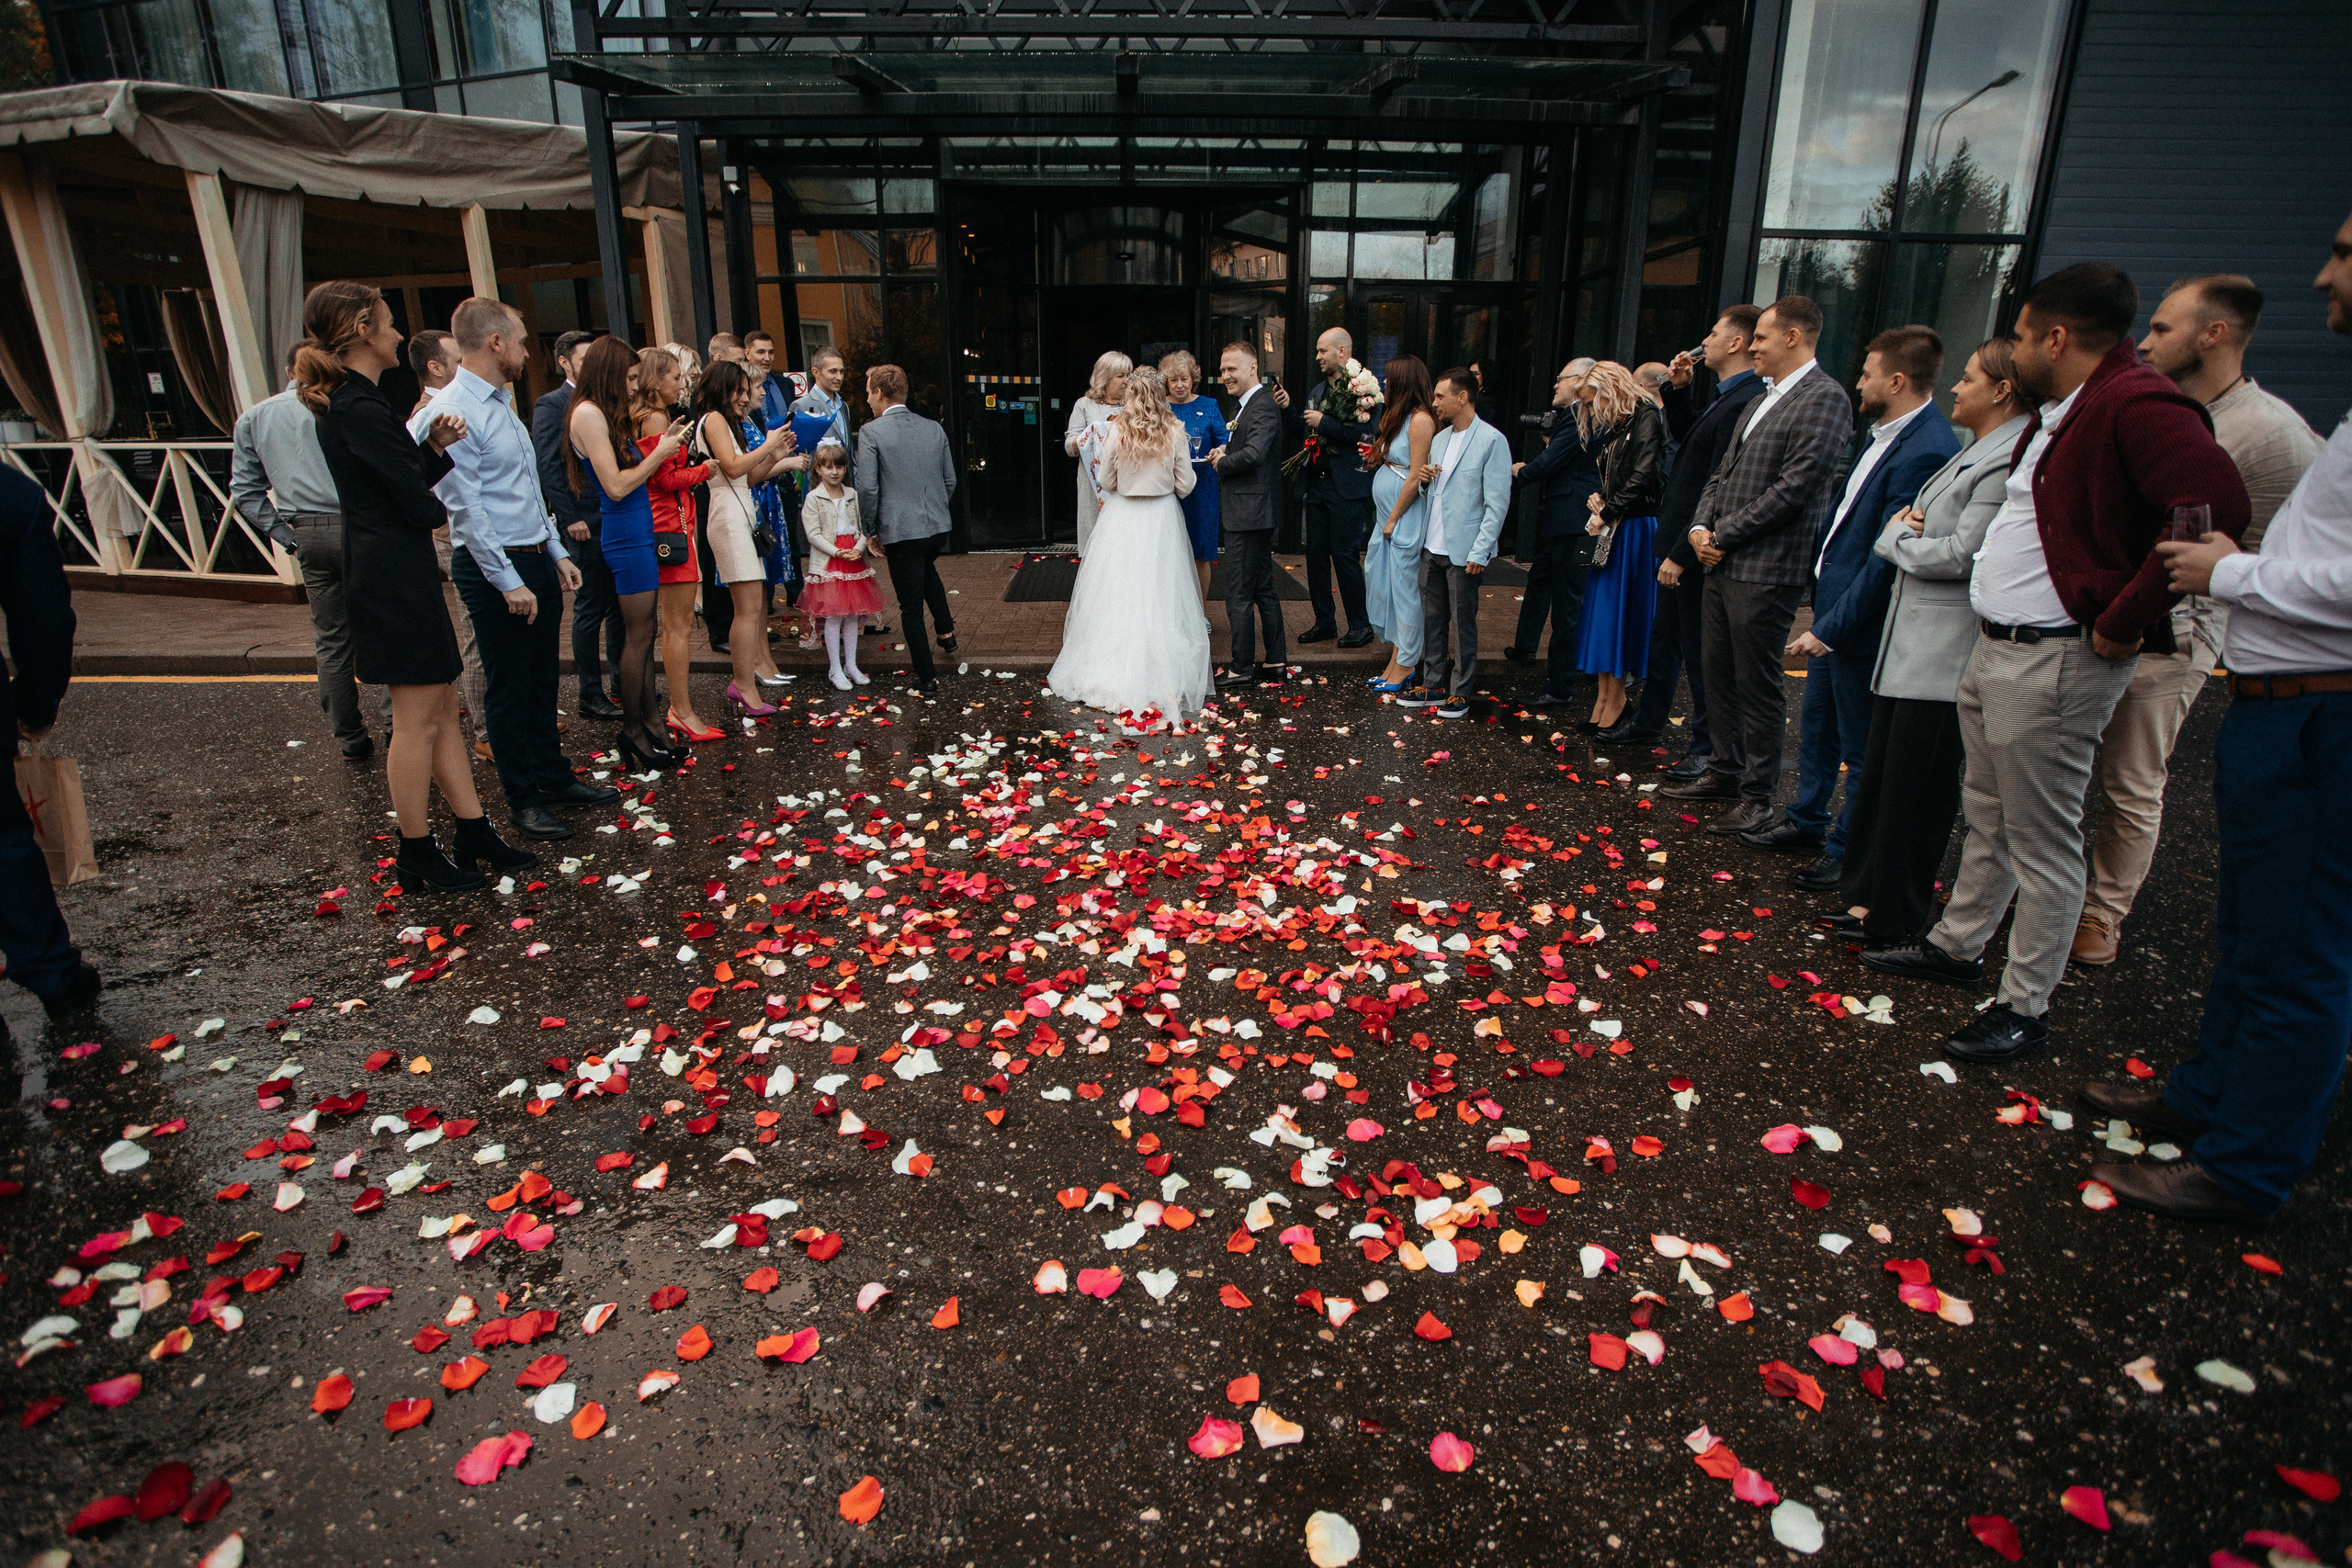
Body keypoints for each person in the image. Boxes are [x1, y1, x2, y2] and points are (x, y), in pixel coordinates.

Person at [1860, 262, 2252, 1064]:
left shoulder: (2134, 402)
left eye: (2021, 337)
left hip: (2058, 656)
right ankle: (1960, 943)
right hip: (1999, 646)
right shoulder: (2065, 412)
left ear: (2056, 336)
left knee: (2042, 836)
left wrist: (2124, 616)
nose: (2009, 353)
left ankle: (2023, 1003)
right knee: (1991, 813)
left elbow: (2216, 505)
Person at [2082, 210, 2352, 1223]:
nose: (2323, 277)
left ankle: (2246, 1165)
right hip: (2278, 703)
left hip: (2322, 715)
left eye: (2344, 254)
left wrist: (2232, 572)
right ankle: (2207, 1100)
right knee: (2250, 935)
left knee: (2299, 952)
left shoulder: (2279, 426)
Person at [2072, 274, 2327, 965]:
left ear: (2213, 334)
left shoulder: (2275, 436)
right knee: (2071, 769)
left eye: (2161, 328)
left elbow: (2301, 552)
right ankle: (2056, 894)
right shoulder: (2158, 408)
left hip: (2181, 635)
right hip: (2113, 617)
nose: (2145, 342)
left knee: (2132, 776)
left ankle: (2102, 914)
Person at [299, 279, 532, 892]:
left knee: (439, 712)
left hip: (392, 566)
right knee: (417, 718)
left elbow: (397, 478)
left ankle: (472, 827)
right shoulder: (358, 405)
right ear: (361, 329)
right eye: (388, 320)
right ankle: (416, 848)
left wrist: (430, 452)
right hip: (391, 573)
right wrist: (430, 465)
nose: (399, 331)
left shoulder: (360, 401)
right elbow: (412, 500)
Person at [1827, 339, 2033, 942]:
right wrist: (1906, 536)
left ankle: (1896, 912)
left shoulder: (2001, 460)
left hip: (1941, 656)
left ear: (2001, 390)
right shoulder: (1971, 451)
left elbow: (1962, 554)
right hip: (1909, 648)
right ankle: (1867, 898)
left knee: (1916, 795)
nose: (1955, 389)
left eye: (1967, 378)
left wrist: (1894, 542)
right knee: (1886, 787)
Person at [1751, 326, 1959, 880]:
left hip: (1858, 625)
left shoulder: (1929, 448)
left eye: (1867, 374)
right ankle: (1807, 818)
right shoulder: (1879, 435)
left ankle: (1847, 849)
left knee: (1860, 746)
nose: (1858, 382)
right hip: (1832, 608)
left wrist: (1834, 627)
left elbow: (1885, 557)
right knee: (1817, 728)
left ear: (1896, 379)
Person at [411, 299, 617, 844]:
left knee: (542, 681)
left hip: (532, 555)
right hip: (492, 566)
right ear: (496, 343)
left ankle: (553, 780)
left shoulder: (501, 402)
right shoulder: (452, 410)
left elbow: (524, 489)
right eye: (523, 340)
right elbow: (468, 508)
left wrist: (555, 554)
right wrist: (508, 581)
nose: (530, 351)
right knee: (508, 689)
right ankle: (523, 799)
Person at [1662, 295, 1854, 836]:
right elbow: (1720, 475)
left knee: (1757, 683)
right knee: (1717, 672)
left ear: (1792, 338)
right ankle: (1724, 770)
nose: (1755, 347)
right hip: (1719, 561)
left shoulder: (1825, 399)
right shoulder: (1759, 399)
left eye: (1763, 338)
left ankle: (1758, 794)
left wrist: (1723, 533)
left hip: (1766, 568)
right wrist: (1700, 529)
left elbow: (1797, 487)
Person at [1612, 307, 1767, 755]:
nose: (1707, 340)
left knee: (1701, 655)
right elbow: (1690, 442)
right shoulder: (1725, 396)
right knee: (1664, 644)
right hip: (1678, 541)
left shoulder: (1745, 400)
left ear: (1735, 343)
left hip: (1693, 548)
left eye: (1714, 333)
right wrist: (1678, 392)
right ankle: (1649, 723)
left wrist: (1681, 552)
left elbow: (1712, 486)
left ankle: (1707, 750)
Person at [233, 340, 383, 758]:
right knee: (384, 628)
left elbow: (245, 491)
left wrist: (286, 536)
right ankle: (396, 727)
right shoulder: (345, 406)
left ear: (287, 371)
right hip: (360, 525)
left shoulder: (256, 417)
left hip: (309, 532)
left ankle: (350, 737)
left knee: (332, 639)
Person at [1048, 367, 1215, 725]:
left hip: (1122, 518)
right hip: (1161, 519)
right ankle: (1160, 670)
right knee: (1160, 594)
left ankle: (1113, 667)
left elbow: (1106, 479)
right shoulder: (1174, 430)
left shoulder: (1117, 430)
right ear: (1159, 395)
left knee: (1119, 594)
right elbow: (1185, 484)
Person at [2, 461, 100, 1031]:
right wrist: (35, 705)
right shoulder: (11, 493)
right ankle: (51, 974)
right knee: (5, 843)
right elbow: (41, 616)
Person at [567, 337, 689, 772]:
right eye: (631, 377)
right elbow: (617, 485)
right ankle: (634, 731)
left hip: (636, 526)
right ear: (609, 372)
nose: (636, 386)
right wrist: (659, 453)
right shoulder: (587, 414)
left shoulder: (602, 413)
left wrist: (663, 443)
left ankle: (652, 725)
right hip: (624, 531)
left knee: (644, 632)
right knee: (637, 636)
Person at [694, 356, 807, 713]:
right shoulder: (712, 419)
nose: (745, 398)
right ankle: (744, 685)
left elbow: (750, 477)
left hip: (739, 512)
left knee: (753, 606)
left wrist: (776, 457)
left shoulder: (727, 422)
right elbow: (731, 467)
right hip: (727, 516)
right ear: (722, 390)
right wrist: (769, 445)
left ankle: (745, 683)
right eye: (739, 391)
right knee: (746, 609)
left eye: (747, 391)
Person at [1398, 367, 1512, 721]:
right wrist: (1424, 480)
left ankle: (1459, 690)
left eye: (1440, 396)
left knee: (1463, 623)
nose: (1434, 403)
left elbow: (1497, 503)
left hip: (1464, 551)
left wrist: (1481, 550)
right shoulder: (1440, 438)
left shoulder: (1492, 440)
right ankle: (1433, 684)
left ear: (1463, 397)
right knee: (1432, 619)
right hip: (1431, 546)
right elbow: (1432, 492)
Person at [1570, 362, 1667, 733]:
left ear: (1610, 389)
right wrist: (1602, 501)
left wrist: (1608, 509)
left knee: (1619, 614)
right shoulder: (1625, 425)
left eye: (1593, 402)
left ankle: (1616, 700)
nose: (1592, 412)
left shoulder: (1646, 418)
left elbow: (1645, 475)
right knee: (1603, 615)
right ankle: (1606, 699)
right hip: (1615, 526)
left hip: (1632, 529)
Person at [854, 363, 958, 699]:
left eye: (869, 391)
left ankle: (926, 676)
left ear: (880, 393)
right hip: (936, 526)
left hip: (900, 528)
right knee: (926, 571)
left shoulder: (871, 432)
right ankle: (947, 634)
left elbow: (868, 489)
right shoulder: (933, 428)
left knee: (910, 606)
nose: (868, 399)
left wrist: (870, 529)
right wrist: (937, 508)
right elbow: (950, 480)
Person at [630, 347, 718, 745]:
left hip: (669, 524)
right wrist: (704, 470)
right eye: (675, 376)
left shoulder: (649, 416)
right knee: (677, 626)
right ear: (656, 380)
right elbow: (663, 480)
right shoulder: (655, 417)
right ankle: (681, 711)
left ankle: (677, 709)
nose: (682, 382)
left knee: (673, 625)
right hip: (670, 527)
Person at [533, 331, 622, 722]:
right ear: (565, 362)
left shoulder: (605, 402)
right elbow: (550, 465)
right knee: (591, 607)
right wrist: (570, 518)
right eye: (584, 360)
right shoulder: (552, 405)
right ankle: (590, 691)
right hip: (585, 517)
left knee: (621, 605)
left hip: (614, 515)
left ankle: (622, 678)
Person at [1274, 327, 1378, 647]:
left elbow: (1366, 433)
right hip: (1316, 485)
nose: (1318, 357)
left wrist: (1326, 423)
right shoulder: (1318, 389)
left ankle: (1360, 626)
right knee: (1316, 556)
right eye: (1318, 351)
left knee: (1344, 556)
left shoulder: (1364, 390)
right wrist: (1289, 408)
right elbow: (1305, 431)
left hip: (1346, 486)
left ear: (1343, 351)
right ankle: (1325, 621)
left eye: (1323, 351)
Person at [1508, 356, 1600, 709]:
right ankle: (1525, 648)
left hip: (1573, 521)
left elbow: (1549, 465)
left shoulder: (1579, 414)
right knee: (1541, 578)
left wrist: (1520, 471)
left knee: (1567, 604)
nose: (1556, 386)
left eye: (1560, 379)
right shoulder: (1580, 417)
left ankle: (1561, 687)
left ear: (1579, 380)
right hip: (1568, 519)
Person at [1209, 341, 1283, 688]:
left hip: (1249, 512)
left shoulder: (1262, 404)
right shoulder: (1249, 405)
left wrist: (1223, 461)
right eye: (1223, 370)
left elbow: (1255, 454)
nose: (1225, 375)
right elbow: (1251, 448)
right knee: (1261, 589)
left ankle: (1241, 667)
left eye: (1232, 369)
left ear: (1252, 367)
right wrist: (1228, 447)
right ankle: (1275, 661)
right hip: (1253, 510)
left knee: (1238, 592)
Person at [1365, 356, 1438, 693]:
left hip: (1402, 516)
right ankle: (1395, 658)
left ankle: (1407, 662)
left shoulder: (1421, 420)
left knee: (1404, 589)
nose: (1383, 384)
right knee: (1386, 584)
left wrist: (1393, 518)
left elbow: (1415, 477)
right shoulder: (1403, 417)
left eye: (1389, 379)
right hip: (1387, 515)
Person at [800, 442, 888, 691]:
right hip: (831, 561)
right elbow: (813, 534)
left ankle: (851, 664)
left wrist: (858, 548)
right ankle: (835, 668)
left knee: (852, 615)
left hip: (853, 559)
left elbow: (864, 526)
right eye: (828, 467)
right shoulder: (813, 498)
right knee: (833, 616)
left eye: (839, 466)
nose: (835, 472)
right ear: (818, 469)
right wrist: (837, 551)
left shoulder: (853, 495)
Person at [1159, 350, 1229, 606]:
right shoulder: (1160, 407)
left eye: (1184, 379)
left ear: (1193, 380)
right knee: (1169, 553)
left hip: (1202, 488)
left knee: (1201, 551)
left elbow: (1224, 439)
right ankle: (1172, 611)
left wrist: (1220, 450)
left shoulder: (1209, 406)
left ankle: (1199, 612)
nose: (1179, 385)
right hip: (1169, 488)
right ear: (1166, 382)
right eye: (1174, 380)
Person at [1066, 352, 1131, 555]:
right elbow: (1070, 445)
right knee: (1095, 541)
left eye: (1129, 375)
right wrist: (1091, 436)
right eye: (1120, 376)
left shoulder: (1134, 405)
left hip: (1125, 482)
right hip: (1093, 484)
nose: (1126, 381)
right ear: (1104, 377)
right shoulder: (1084, 405)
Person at [791, 345, 854, 452]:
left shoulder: (843, 406)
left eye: (841, 371)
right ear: (816, 372)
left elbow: (848, 449)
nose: (839, 377)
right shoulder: (802, 405)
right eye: (833, 371)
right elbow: (799, 452)